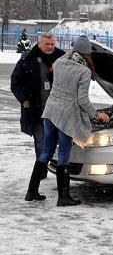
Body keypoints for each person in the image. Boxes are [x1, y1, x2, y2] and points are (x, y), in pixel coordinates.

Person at [34, 36, 110, 206]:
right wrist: (97, 115)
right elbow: (82, 100)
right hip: (66, 117)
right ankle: (63, 197)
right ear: (87, 53)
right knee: (63, 155)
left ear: (73, 49)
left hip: (51, 111)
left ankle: (32, 191)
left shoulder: (60, 61)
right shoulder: (84, 71)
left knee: (47, 151)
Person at [11, 33, 65, 187]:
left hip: (60, 111)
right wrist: (25, 100)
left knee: (62, 144)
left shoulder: (62, 58)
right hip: (37, 111)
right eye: (47, 44)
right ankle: (40, 173)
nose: (50, 47)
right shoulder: (27, 59)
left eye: (52, 44)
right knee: (41, 143)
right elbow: (15, 82)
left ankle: (62, 172)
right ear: (39, 44)